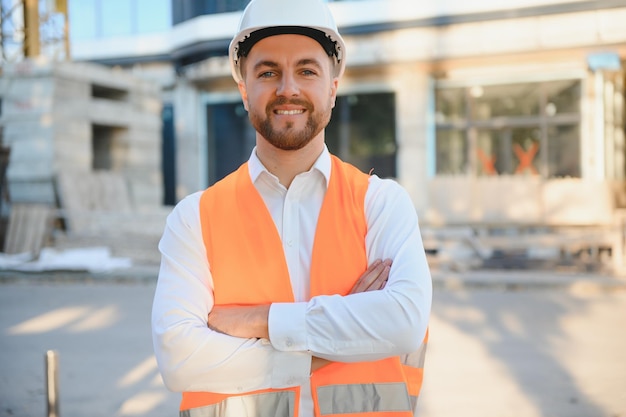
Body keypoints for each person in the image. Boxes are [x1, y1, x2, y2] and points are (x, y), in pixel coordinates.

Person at [151, 0, 432, 416]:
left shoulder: (381, 204)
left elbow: (403, 321)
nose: (288, 88)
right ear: (244, 90)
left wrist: (259, 321)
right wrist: (327, 347)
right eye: (267, 72)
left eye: (306, 70)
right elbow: (179, 360)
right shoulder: (195, 219)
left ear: (332, 88)